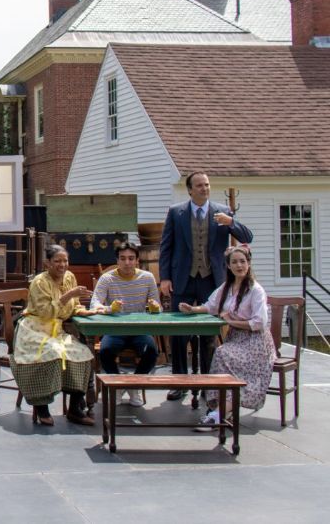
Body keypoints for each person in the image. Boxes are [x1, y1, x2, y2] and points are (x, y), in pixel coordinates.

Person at [159, 171, 253, 401]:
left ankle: (207, 382)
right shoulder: (176, 213)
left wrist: (231, 222)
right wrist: (165, 278)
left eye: (207, 185)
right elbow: (166, 247)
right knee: (179, 333)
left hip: (212, 281)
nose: (204, 188)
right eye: (199, 185)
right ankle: (179, 382)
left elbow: (247, 237)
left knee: (208, 334)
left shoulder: (222, 212)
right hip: (183, 278)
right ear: (190, 189)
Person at [178, 244, 275, 431]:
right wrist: (192, 309)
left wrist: (231, 322)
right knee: (222, 355)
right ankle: (219, 411)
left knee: (221, 353)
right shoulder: (227, 287)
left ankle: (217, 414)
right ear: (228, 266)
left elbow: (259, 322)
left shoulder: (256, 290)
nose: (239, 265)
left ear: (249, 263)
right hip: (235, 340)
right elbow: (211, 306)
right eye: (234, 262)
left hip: (255, 343)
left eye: (243, 261)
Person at [11, 244, 97, 426]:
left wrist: (85, 311)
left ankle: (75, 407)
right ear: (47, 263)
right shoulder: (40, 282)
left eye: (65, 260)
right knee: (50, 352)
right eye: (57, 261)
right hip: (34, 329)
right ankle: (42, 407)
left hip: (56, 330)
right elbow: (45, 313)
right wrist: (68, 296)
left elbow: (72, 307)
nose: (62, 265)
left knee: (82, 353)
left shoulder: (70, 278)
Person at [89, 242, 161, 407]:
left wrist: (155, 308)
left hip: (139, 328)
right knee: (105, 352)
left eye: (131, 258)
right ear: (117, 260)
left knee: (151, 352)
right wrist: (109, 308)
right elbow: (94, 305)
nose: (127, 262)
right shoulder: (107, 278)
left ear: (137, 260)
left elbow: (157, 308)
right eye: (123, 258)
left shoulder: (147, 277)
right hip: (115, 328)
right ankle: (119, 385)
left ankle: (132, 385)